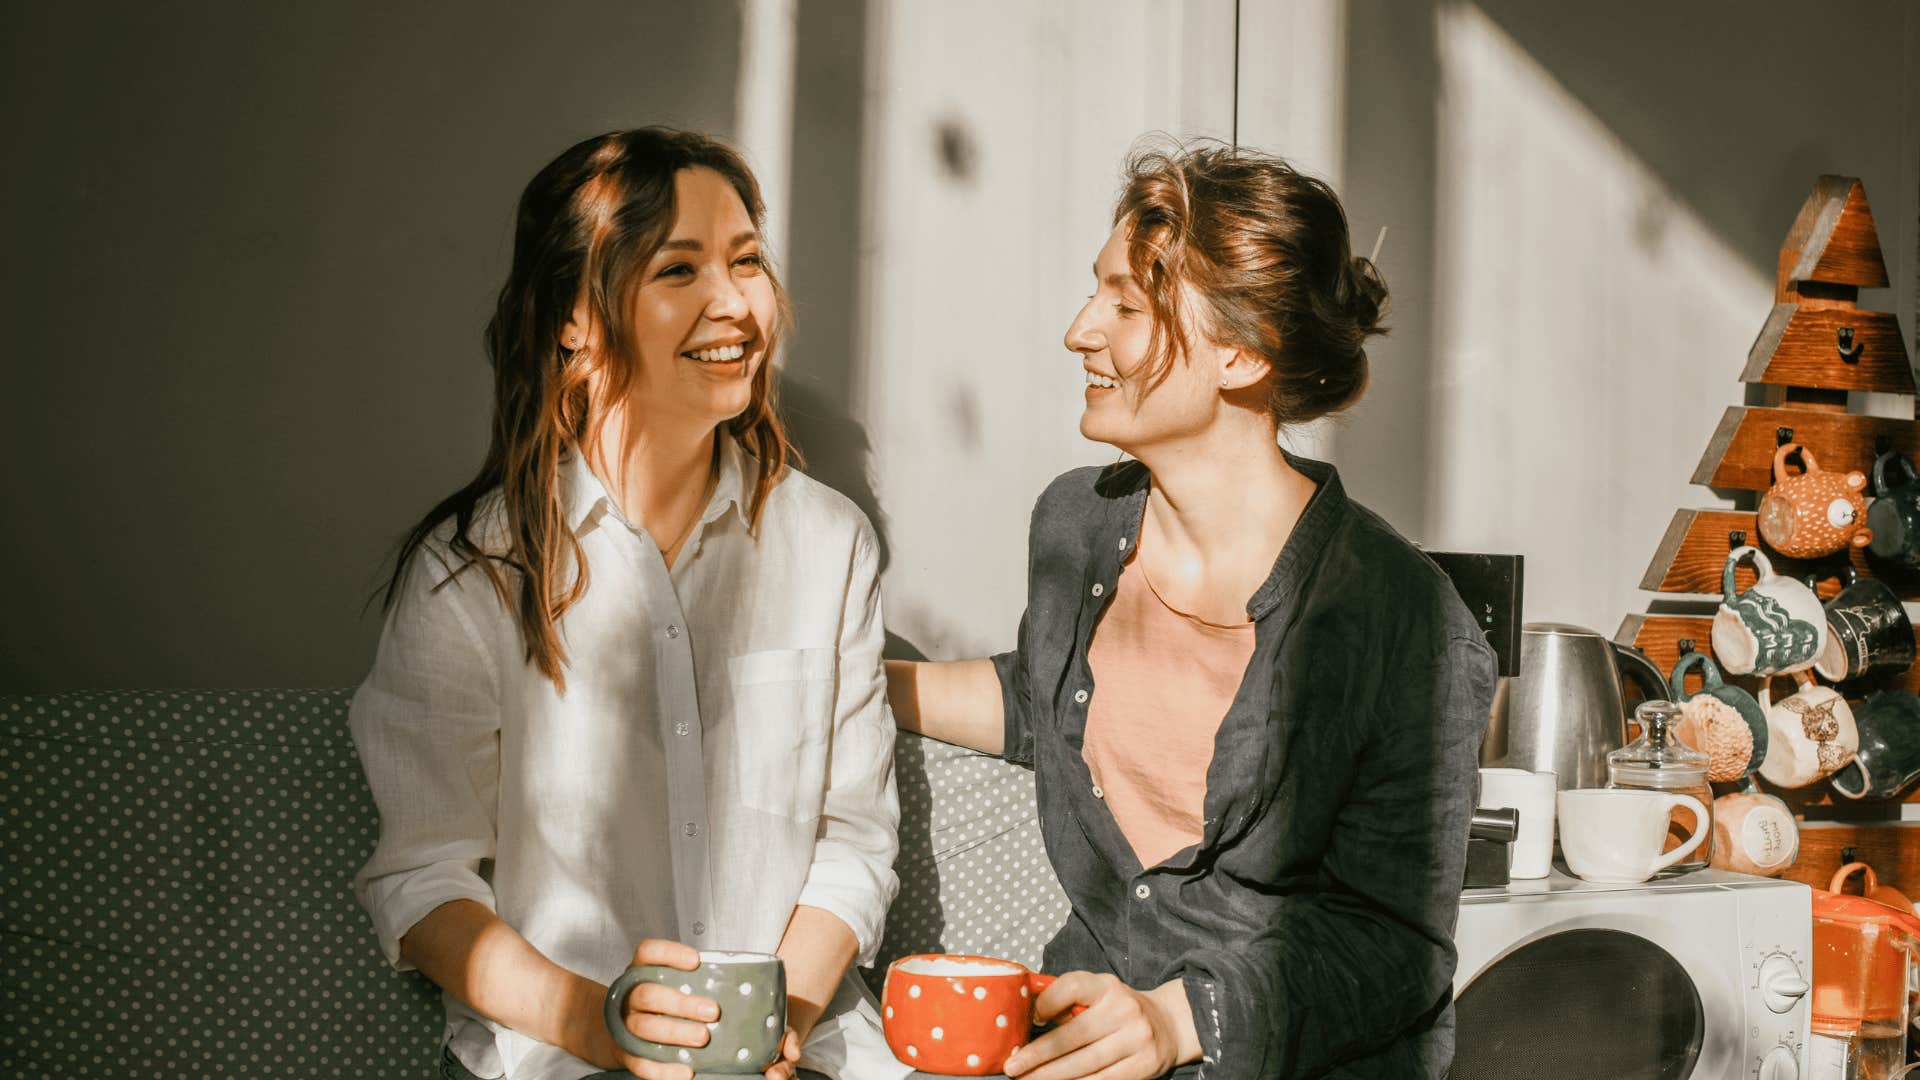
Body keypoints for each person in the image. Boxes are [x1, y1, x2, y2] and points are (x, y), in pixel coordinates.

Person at [885, 141, 1497, 1079]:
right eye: (1097, 294)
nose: (1080, 329)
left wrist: (1180, 1021)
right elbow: (1049, 700)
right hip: (1076, 1044)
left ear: (1242, 354)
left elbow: (1398, 948)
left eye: (1126, 306)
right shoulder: (1077, 522)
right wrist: (845, 683)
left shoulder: (1407, 621)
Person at [350, 128, 907, 1080]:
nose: (735, 304)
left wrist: (777, 1026)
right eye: (678, 269)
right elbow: (422, 878)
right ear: (574, 315)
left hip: (802, 1056)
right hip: (557, 1060)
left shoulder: (829, 545)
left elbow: (852, 845)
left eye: (745, 262)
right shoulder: (470, 574)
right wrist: (596, 1024)